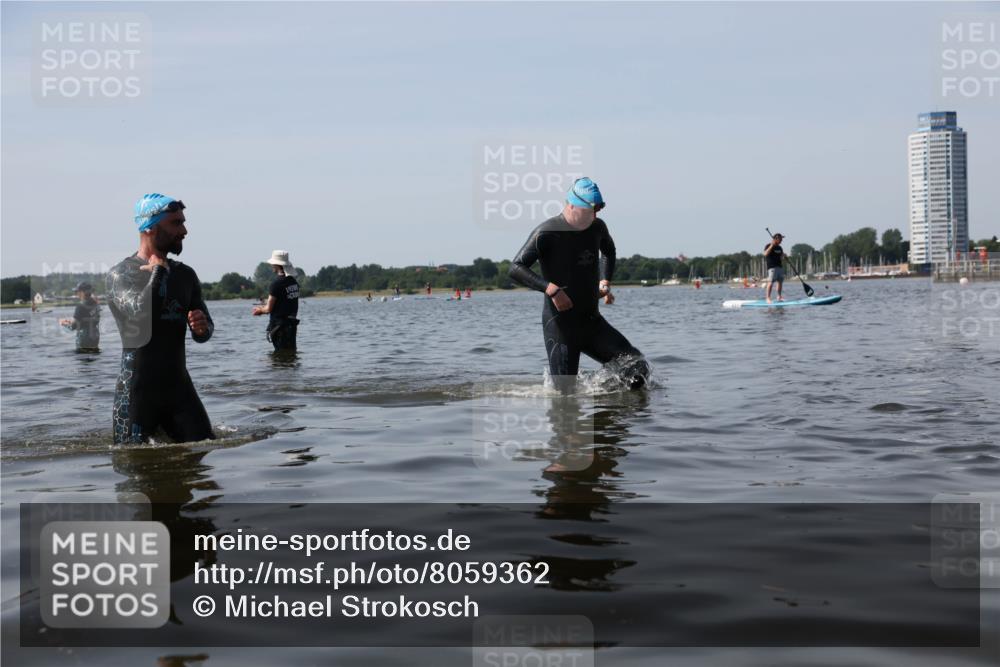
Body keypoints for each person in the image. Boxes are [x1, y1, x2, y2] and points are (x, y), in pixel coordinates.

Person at [509, 177, 649, 392]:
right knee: (565, 395)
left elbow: (609, 251)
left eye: (598, 210)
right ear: (571, 205)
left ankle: (607, 403)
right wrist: (551, 289)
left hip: (593, 324)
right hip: (561, 329)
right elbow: (515, 268)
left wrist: (605, 281)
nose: (594, 216)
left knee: (637, 367)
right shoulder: (547, 232)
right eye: (589, 211)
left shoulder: (597, 227)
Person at [106, 193, 215, 444]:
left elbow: (206, 330)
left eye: (183, 222)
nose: (184, 231)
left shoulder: (185, 275)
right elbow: (140, 315)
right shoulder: (121, 274)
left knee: (205, 450)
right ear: (150, 227)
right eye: (176, 223)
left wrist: (201, 328)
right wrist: (158, 273)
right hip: (137, 397)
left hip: (180, 392)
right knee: (132, 463)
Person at [252, 250, 300, 351]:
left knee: (281, 355)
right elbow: (284, 301)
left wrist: (260, 310)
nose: (271, 265)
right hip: (292, 326)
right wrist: (264, 306)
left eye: (273, 263)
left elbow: (269, 309)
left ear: (277, 265)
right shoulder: (293, 282)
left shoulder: (276, 284)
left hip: (280, 327)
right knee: (291, 353)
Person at [59, 281, 101, 352]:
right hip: (95, 335)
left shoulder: (80, 306)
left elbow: (73, 326)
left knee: (82, 356)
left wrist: (63, 323)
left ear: (82, 292)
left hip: (84, 337)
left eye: (77, 291)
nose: (76, 294)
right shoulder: (96, 304)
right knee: (94, 355)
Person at [764, 232, 785, 303]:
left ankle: (779, 296)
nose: (781, 240)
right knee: (770, 282)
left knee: (780, 282)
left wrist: (783, 256)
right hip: (772, 267)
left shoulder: (780, 248)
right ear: (776, 239)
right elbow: (765, 254)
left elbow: (781, 258)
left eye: (781, 239)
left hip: (779, 266)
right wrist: (771, 245)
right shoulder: (768, 245)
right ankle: (768, 298)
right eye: (780, 239)